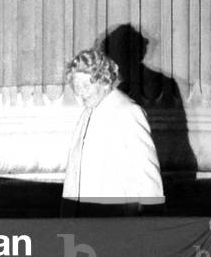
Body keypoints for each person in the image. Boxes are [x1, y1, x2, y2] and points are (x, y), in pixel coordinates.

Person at [61, 48, 164, 216]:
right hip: (86, 215)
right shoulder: (88, 113)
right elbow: (74, 173)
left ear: (105, 81)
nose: (81, 93)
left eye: (86, 85)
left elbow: (147, 172)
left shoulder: (128, 111)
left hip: (117, 214)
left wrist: (152, 221)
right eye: (76, 87)